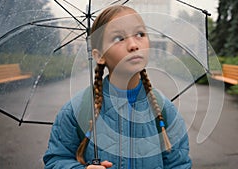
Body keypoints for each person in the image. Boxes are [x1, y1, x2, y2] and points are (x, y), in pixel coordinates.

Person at [43, 5, 192, 169]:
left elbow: (179, 165)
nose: (134, 45)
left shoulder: (165, 112)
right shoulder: (76, 111)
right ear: (99, 56)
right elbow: (56, 160)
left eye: (140, 34)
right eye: (118, 38)